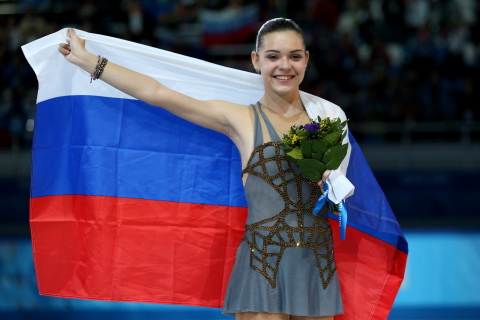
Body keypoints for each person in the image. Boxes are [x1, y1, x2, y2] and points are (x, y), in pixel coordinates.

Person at [58, 18, 345, 320]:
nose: (284, 65)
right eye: (273, 56)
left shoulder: (328, 120)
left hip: (316, 263)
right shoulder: (241, 119)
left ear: (306, 60)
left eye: (294, 56)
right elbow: (159, 93)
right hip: (263, 263)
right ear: (256, 60)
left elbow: (341, 197)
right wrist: (88, 61)